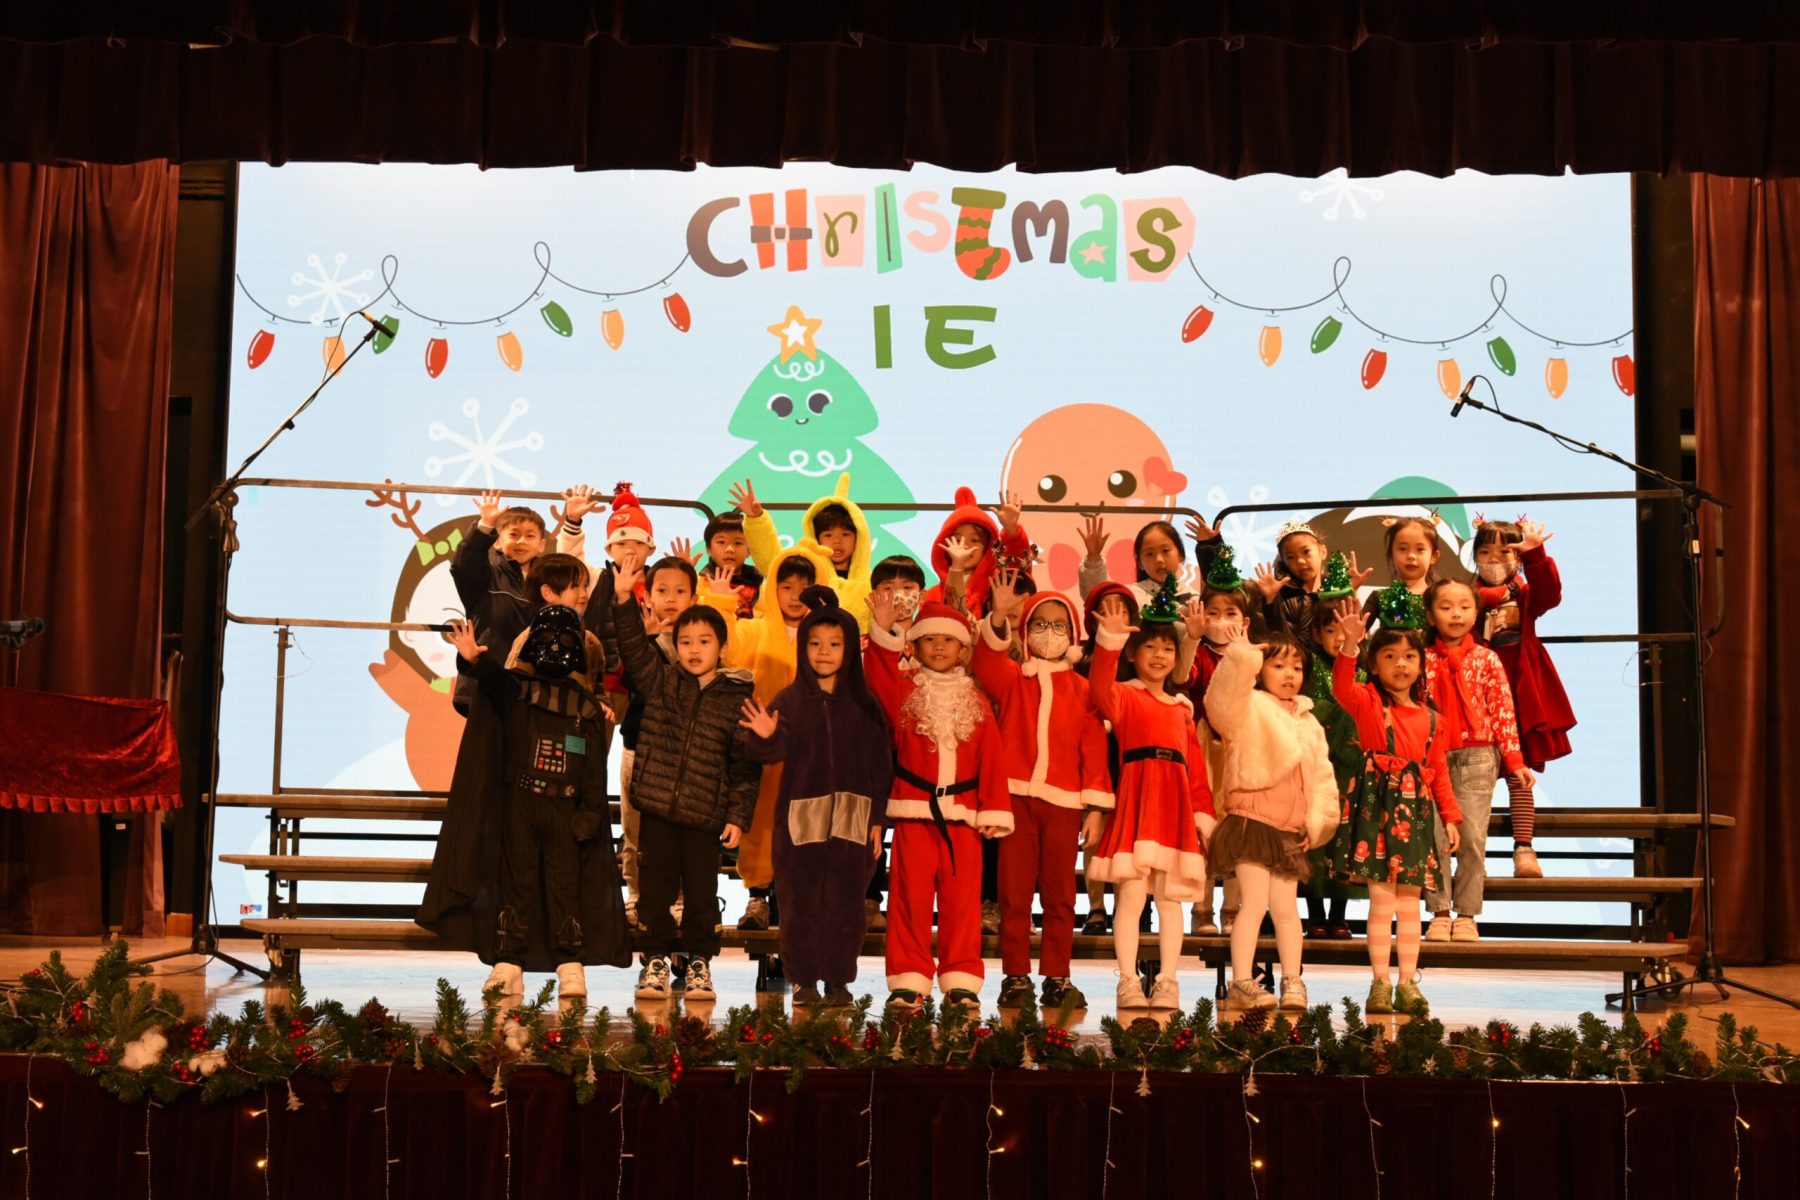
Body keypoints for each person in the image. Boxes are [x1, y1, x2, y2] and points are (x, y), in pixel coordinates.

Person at [418, 553, 630, 1013]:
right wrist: (473, 660)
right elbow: (495, 682)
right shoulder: (517, 691)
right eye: (546, 638)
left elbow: (592, 768)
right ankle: (507, 960)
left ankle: (570, 964)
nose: (555, 647)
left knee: (564, 886)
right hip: (520, 803)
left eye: (565, 639)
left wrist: (592, 811)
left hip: (565, 809)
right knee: (515, 884)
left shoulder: (586, 708)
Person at [609, 561, 760, 1003]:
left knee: (701, 894)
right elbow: (633, 648)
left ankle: (699, 963)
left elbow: (744, 765)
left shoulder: (736, 697)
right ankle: (654, 960)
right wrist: (623, 599)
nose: (694, 649)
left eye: (704, 641)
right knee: (654, 893)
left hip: (704, 817)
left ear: (722, 647)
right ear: (675, 646)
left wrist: (737, 816)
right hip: (657, 809)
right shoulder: (660, 682)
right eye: (686, 642)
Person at [739, 587, 892, 1007]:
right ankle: (803, 979)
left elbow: (881, 766)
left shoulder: (865, 704)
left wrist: (878, 819)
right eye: (815, 643)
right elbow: (767, 750)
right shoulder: (789, 700)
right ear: (803, 647)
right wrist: (765, 737)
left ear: (850, 649)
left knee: (847, 903)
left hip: (854, 817)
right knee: (799, 902)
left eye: (834, 644)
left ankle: (839, 979)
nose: (824, 653)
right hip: (800, 819)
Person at [865, 593, 1012, 1014]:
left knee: (962, 904)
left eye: (948, 640)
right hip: (914, 812)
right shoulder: (903, 690)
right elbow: (877, 683)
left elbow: (991, 755)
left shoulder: (976, 698)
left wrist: (993, 807)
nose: (940, 647)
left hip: (963, 817)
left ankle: (960, 978)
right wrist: (883, 635)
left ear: (964, 649)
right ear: (914, 646)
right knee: (908, 900)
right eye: (929, 640)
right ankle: (908, 978)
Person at [974, 569, 1114, 1011]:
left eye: (1058, 625)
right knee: (1013, 893)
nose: (1049, 633)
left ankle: (1057, 975)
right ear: (1026, 630)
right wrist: (998, 618)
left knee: (1061, 896)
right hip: (1015, 800)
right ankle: (1015, 975)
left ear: (1072, 634)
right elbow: (985, 664)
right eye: (1040, 624)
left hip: (1065, 803)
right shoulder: (1014, 678)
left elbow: (1094, 751)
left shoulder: (1084, 690)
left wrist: (1095, 807)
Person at [1326, 590, 1463, 1017]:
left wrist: (1451, 817)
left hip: (1414, 815)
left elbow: (1438, 772)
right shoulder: (1367, 702)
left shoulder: (1433, 719)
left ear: (1421, 665)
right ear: (1374, 664)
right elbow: (1341, 687)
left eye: (1408, 657)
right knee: (1381, 902)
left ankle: (1408, 983)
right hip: (1376, 812)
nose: (1400, 665)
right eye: (1389, 656)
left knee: (1409, 904)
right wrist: (1351, 645)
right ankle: (1380, 982)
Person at [1087, 577, 1215, 1013]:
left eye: (1167, 649)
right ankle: (1127, 980)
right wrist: (1108, 642)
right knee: (1131, 896)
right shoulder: (1124, 695)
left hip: (1174, 809)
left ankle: (1167, 981)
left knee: (1170, 900)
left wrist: (1202, 815)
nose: (1159, 655)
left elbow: (1195, 770)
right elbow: (1098, 688)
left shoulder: (1182, 709)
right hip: (1137, 801)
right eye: (1150, 648)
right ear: (1133, 654)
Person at [697, 542, 836, 934]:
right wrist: (721, 603)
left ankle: (798, 900)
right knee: (759, 821)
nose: (794, 596)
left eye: (803, 587)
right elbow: (727, 653)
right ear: (772, 587)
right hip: (758, 744)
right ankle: (757, 895)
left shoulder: (827, 636)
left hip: (810, 750)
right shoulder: (753, 628)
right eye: (786, 586)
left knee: (805, 823)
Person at [1202, 625, 1339, 1011]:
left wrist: (1316, 821)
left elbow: (1322, 777)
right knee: (1254, 904)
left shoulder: (1309, 721)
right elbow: (1221, 703)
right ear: (1261, 670)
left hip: (1289, 828)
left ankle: (1293, 980)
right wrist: (1240, 659)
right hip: (1252, 821)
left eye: (1296, 667)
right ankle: (1241, 981)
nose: (1289, 674)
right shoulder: (1249, 705)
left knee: (1287, 910)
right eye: (1279, 665)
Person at [585, 555, 701, 935]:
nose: (671, 598)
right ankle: (635, 895)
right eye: (662, 590)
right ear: (647, 597)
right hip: (639, 748)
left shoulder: (702, 643)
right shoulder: (638, 639)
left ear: (694, 598)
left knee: (684, 833)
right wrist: (645, 636)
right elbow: (625, 681)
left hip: (686, 756)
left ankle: (681, 898)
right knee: (634, 831)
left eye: (680, 591)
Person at [1422, 579, 1535, 943]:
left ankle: (1467, 914)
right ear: (1431, 615)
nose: (1456, 614)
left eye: (1464, 607)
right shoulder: (1421, 659)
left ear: (1476, 613)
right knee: (1435, 837)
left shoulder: (1487, 659)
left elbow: (1502, 709)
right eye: (1446, 607)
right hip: (1432, 757)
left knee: (1471, 837)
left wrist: (1514, 759)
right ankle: (1440, 912)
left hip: (1477, 756)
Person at [1472, 517, 1573, 879]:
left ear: (1517, 558)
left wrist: (1536, 555)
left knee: (1519, 771)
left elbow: (1551, 593)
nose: (1494, 560)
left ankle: (1524, 848)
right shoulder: (1463, 597)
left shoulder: (1526, 593)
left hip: (1520, 690)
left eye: (1504, 552)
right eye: (1485, 552)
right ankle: (1473, 855)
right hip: (1477, 691)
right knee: (1476, 776)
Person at [861, 554, 929, 930]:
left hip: (921, 753)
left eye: (907, 588)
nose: (898, 596)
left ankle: (909, 902)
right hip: (876, 752)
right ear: (873, 595)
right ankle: (869, 899)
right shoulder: (861, 644)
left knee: (913, 833)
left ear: (921, 595)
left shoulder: (933, 643)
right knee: (871, 826)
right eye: (888, 589)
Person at [1297, 561, 1364, 939]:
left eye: (1345, 629)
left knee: (1345, 838)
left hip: (1352, 766)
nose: (1339, 637)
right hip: (1317, 764)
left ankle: (1339, 915)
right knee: (1315, 837)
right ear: (1317, 633)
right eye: (1330, 629)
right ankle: (1315, 915)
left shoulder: (1363, 669)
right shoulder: (1308, 668)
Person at [729, 474, 875, 630]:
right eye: (828, 535)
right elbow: (773, 562)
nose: (837, 541)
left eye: (845, 534)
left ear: (859, 537)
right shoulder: (808, 568)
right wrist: (757, 519)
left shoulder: (872, 583)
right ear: (816, 537)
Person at [448, 492, 547, 716]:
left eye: (530, 536)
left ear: (541, 545)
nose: (521, 541)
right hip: (482, 686)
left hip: (530, 693)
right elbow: (463, 565)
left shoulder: (548, 585)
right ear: (498, 541)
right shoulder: (486, 577)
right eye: (514, 534)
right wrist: (485, 524)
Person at [923, 487, 1031, 620]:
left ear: (988, 547)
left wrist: (1011, 531)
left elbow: (1018, 573)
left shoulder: (996, 584)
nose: (965, 545)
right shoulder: (933, 595)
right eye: (957, 540)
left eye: (975, 540)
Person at [1361, 515, 1447, 631]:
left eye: (1420, 549)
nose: (1411, 556)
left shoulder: (1440, 598)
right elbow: (1355, 634)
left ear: (1434, 556)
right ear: (1391, 554)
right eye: (1403, 549)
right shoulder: (1379, 597)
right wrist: (1347, 592)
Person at [698, 507, 763, 620]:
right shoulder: (698, 583)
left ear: (749, 550)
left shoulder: (760, 586)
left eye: (738, 543)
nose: (729, 549)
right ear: (709, 549)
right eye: (721, 542)